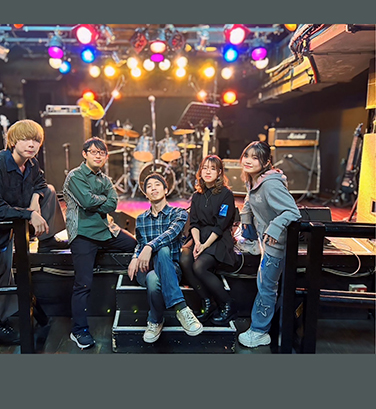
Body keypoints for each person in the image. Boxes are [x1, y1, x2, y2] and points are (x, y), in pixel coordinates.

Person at [0, 119, 68, 345]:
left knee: (49, 191)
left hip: (12, 220)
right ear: (13, 141)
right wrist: (29, 214)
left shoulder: (30, 163)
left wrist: (35, 199)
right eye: (25, 139)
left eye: (36, 140)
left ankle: (47, 240)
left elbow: (40, 183)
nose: (31, 144)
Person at [63, 137, 137, 350]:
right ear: (84, 154)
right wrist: (100, 200)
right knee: (83, 284)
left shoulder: (105, 179)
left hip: (106, 230)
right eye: (93, 152)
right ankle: (79, 330)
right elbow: (86, 202)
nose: (98, 156)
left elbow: (113, 204)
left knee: (135, 246)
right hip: (83, 234)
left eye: (101, 153)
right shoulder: (75, 176)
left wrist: (98, 201)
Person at [237, 141, 301, 348]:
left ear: (266, 162)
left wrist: (273, 228)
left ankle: (260, 331)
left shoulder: (271, 184)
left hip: (277, 243)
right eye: (246, 155)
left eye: (255, 158)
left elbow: (292, 211)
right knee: (264, 284)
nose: (248, 160)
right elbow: (250, 199)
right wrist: (246, 220)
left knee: (266, 287)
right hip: (264, 241)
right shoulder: (254, 179)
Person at [128, 173, 203, 344]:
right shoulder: (141, 219)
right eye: (149, 186)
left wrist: (149, 246)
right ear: (146, 194)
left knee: (158, 266)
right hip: (146, 266)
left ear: (166, 190)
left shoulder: (179, 214)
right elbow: (140, 244)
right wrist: (134, 257)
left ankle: (155, 320)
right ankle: (182, 309)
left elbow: (171, 234)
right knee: (151, 271)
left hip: (170, 268)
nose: (153, 188)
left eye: (157, 184)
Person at [180, 155, 239, 326]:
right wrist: (198, 243)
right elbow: (194, 223)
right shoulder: (197, 195)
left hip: (218, 238)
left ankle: (227, 304)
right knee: (184, 259)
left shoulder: (226, 194)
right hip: (200, 237)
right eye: (205, 168)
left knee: (199, 267)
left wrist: (205, 245)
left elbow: (221, 225)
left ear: (219, 172)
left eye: (212, 168)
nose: (208, 171)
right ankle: (207, 301)